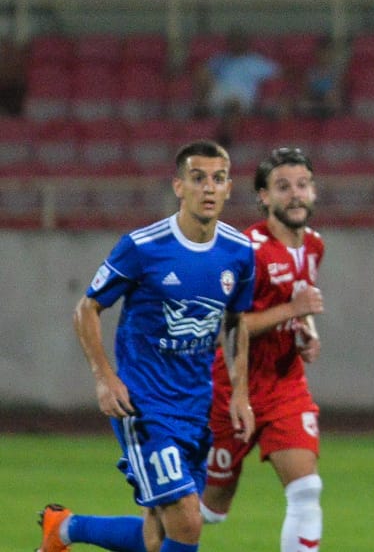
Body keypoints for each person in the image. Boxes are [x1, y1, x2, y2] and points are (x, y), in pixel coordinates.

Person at [37, 140, 256, 552]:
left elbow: (236, 321)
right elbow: (87, 309)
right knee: (189, 522)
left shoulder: (240, 252)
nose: (208, 188)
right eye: (198, 178)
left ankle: (64, 528)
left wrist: (240, 393)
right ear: (178, 186)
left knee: (158, 537)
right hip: (145, 407)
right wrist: (105, 378)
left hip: (196, 408)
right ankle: (63, 529)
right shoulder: (143, 247)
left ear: (229, 188)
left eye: (218, 179)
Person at [200, 147, 326, 552]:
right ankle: (71, 529)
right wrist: (294, 310)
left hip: (286, 383)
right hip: (232, 387)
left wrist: (304, 329)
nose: (295, 195)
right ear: (263, 197)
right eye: (283, 187)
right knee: (205, 512)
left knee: (306, 489)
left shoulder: (314, 246)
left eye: (303, 185)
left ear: (313, 192)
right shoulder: (248, 251)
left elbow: (293, 303)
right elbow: (231, 323)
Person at [197, 30, 280, 118]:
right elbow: (204, 72)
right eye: (233, 41)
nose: (235, 44)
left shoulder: (257, 61)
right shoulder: (220, 59)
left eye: (238, 41)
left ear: (245, 43)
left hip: (243, 93)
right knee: (204, 77)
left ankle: (230, 126)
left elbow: (278, 74)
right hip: (220, 89)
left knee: (234, 104)